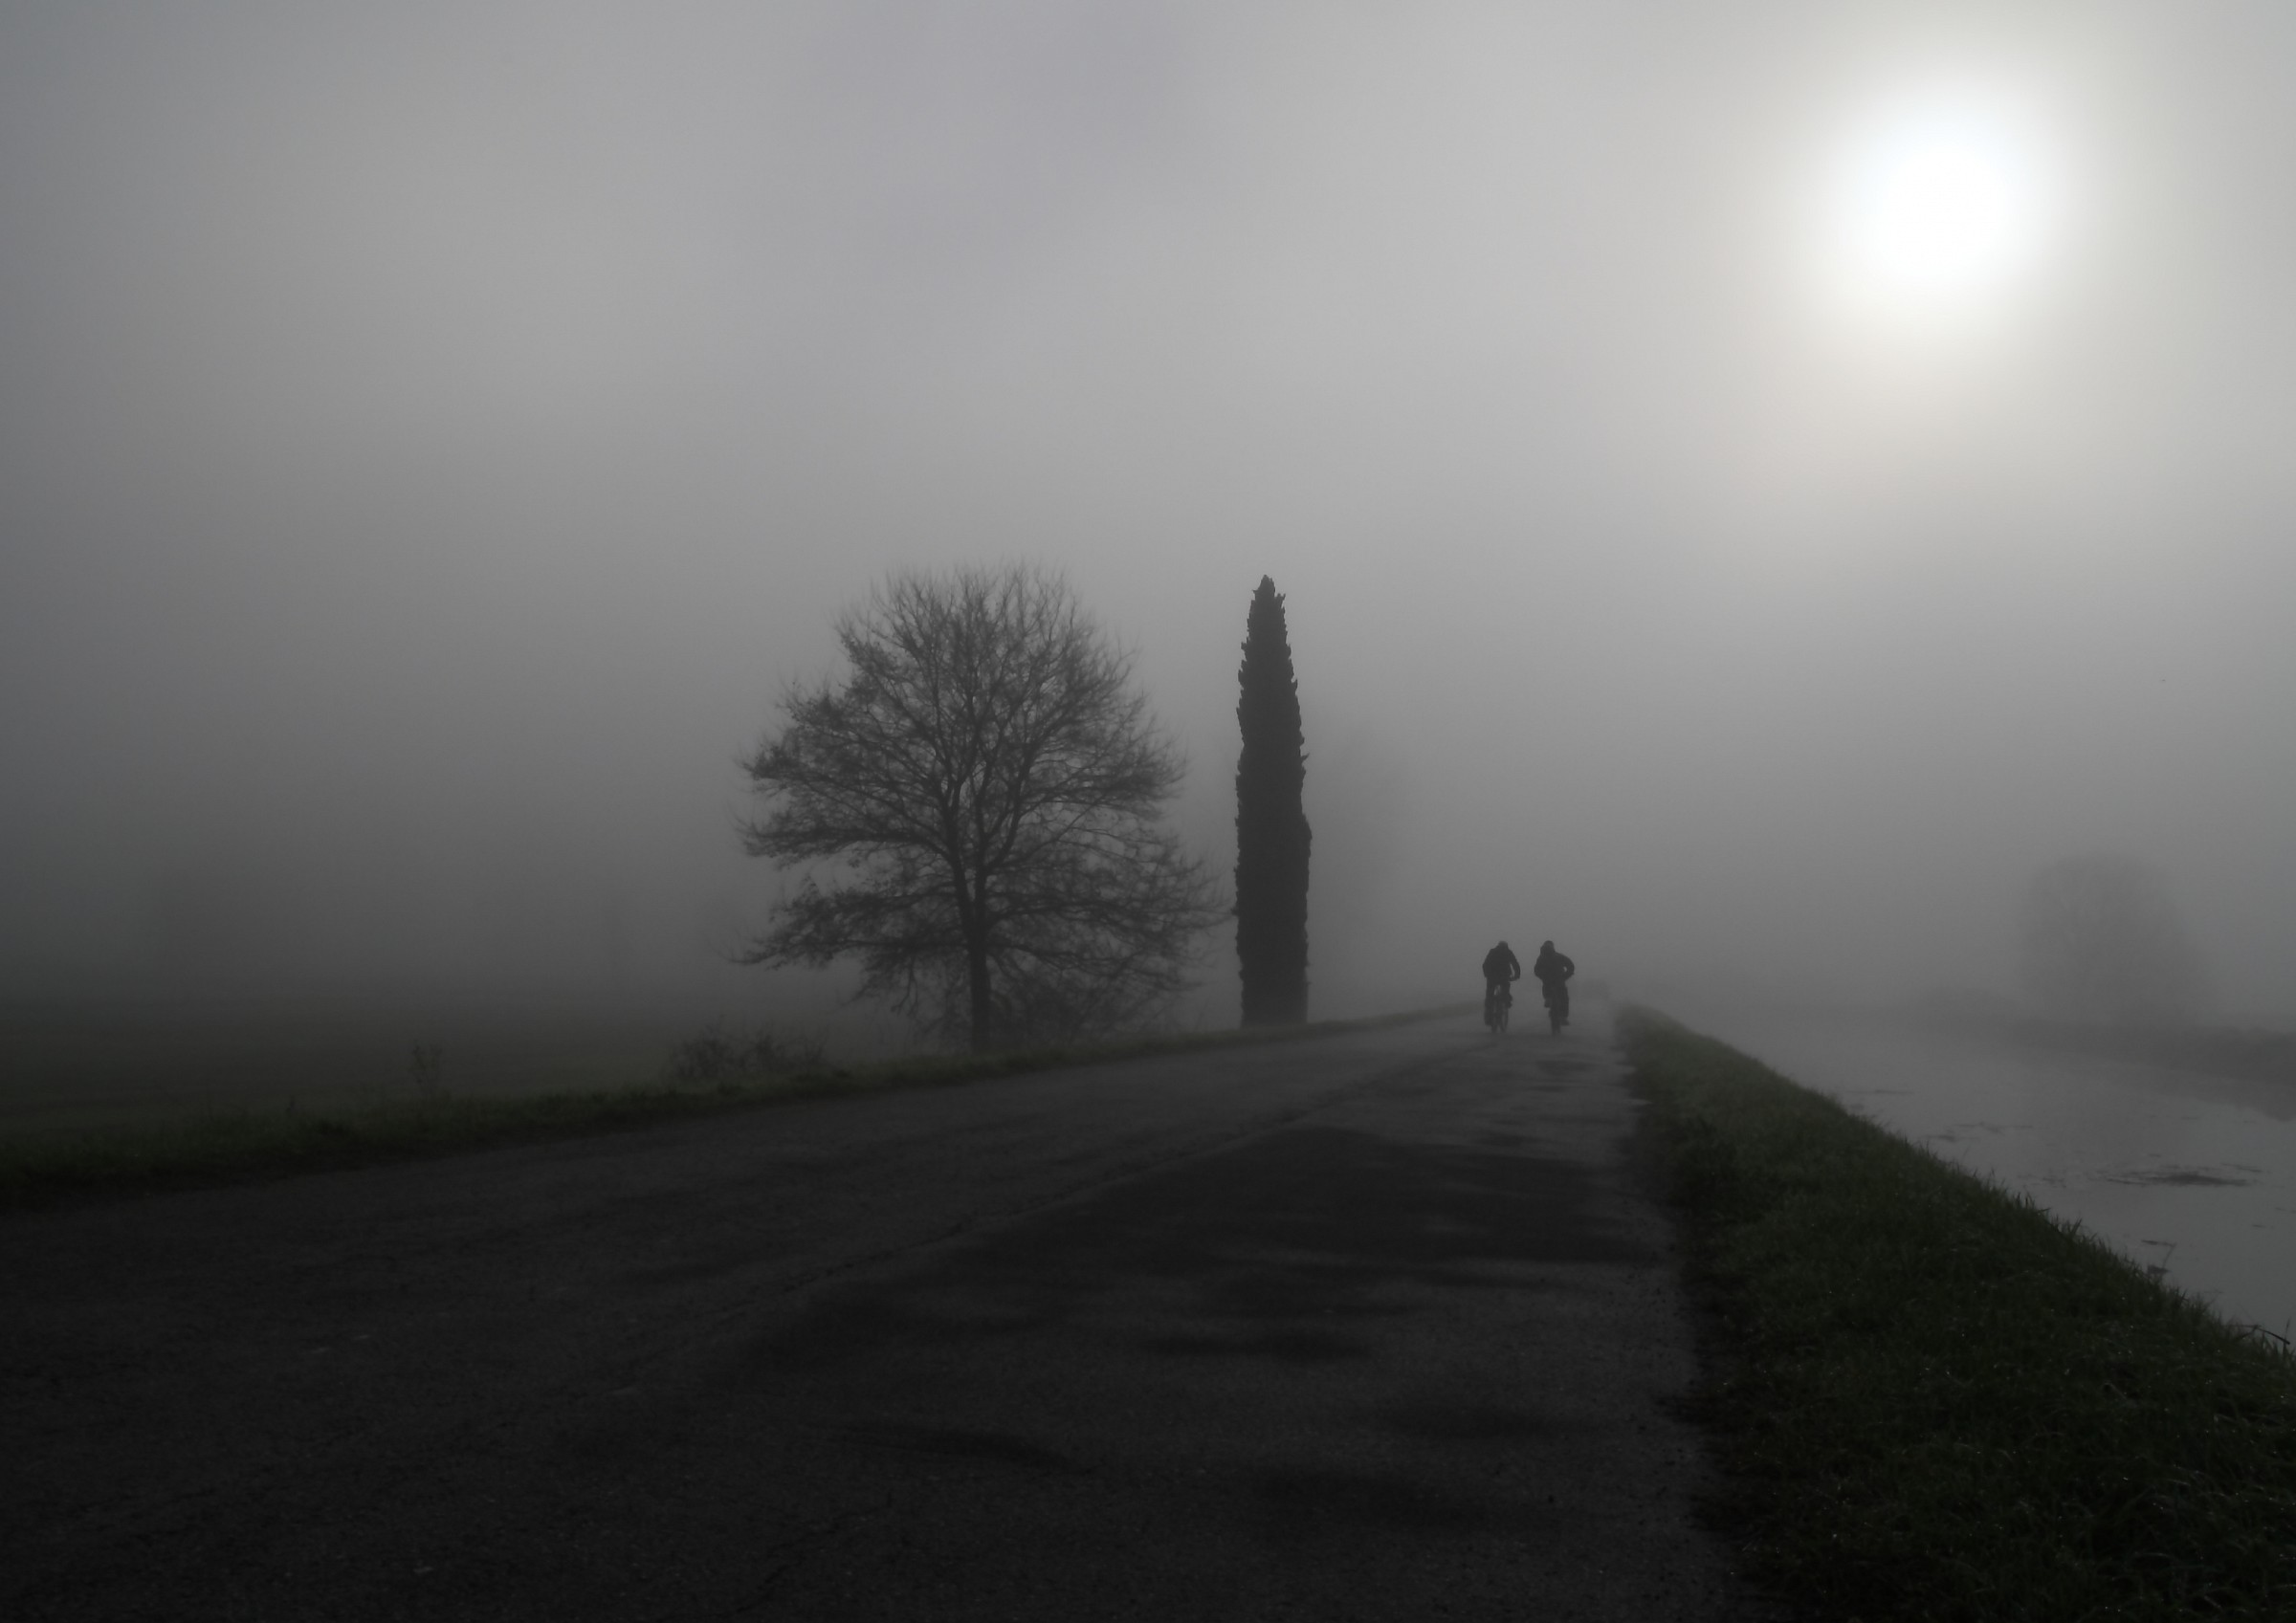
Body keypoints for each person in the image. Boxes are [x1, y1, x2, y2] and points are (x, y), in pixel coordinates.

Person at [1533, 939, 1576, 1027]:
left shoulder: (1541, 958)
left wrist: (1542, 976)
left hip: (1547, 980)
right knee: (1564, 998)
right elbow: (1570, 966)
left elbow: (1536, 970)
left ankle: (1548, 998)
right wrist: (1566, 976)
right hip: (1559, 980)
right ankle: (1563, 1016)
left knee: (1546, 987)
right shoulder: (1559, 956)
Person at [1481, 940, 1521, 1025]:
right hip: (1504, 976)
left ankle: (1489, 1010)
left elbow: (1485, 964)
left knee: (1490, 993)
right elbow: (1515, 964)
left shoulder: (1493, 951)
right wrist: (1517, 975)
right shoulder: (1508, 952)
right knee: (1505, 990)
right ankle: (1506, 1002)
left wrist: (1486, 974)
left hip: (1492, 976)